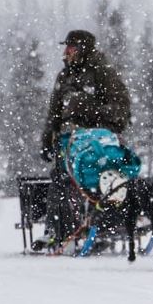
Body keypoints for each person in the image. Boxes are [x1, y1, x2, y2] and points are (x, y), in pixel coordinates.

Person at [34, 29, 132, 251]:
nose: (66, 51)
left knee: (96, 181)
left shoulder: (102, 72)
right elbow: (54, 114)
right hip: (69, 141)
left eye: (71, 47)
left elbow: (121, 109)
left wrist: (89, 110)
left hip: (99, 141)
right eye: (66, 47)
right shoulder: (64, 76)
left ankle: (99, 229)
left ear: (82, 49)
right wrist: (47, 140)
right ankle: (56, 231)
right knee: (61, 179)